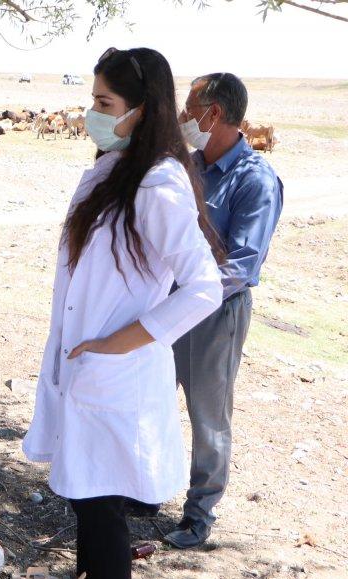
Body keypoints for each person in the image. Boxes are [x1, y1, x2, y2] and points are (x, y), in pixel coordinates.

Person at [21, 47, 224, 579]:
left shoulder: (158, 185)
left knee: (102, 501)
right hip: (90, 371)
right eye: (94, 100)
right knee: (87, 494)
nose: (92, 113)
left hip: (117, 372)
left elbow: (203, 287)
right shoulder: (115, 169)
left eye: (105, 104)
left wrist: (118, 342)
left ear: (141, 110)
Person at [159, 72, 283, 549]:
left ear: (213, 114)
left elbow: (245, 263)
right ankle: (148, 491)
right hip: (168, 306)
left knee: (208, 415)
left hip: (214, 313)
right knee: (153, 396)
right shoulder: (186, 165)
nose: (183, 117)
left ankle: (198, 514)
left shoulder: (255, 180)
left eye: (190, 108)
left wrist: (194, 293)